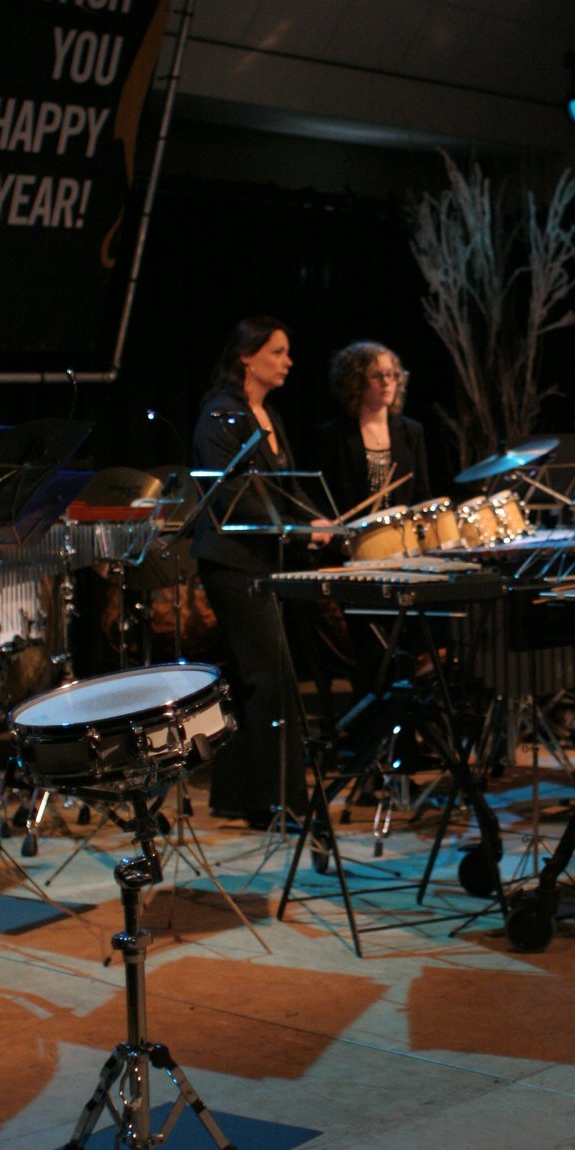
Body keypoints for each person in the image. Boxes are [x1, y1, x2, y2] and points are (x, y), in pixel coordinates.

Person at [191, 315, 326, 828]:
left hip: (264, 561)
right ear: (246, 356)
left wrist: (318, 520)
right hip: (231, 562)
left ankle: (242, 797)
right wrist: (298, 528)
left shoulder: (268, 415)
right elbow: (234, 497)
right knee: (272, 678)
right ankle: (279, 802)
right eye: (277, 351)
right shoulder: (220, 416)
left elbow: (286, 487)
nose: (288, 361)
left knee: (255, 678)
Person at [317, 341, 430, 516]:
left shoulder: (411, 431)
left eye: (391, 374)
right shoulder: (334, 434)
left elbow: (421, 495)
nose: (386, 382)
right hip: (353, 531)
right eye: (376, 375)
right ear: (355, 382)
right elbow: (322, 498)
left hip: (402, 531)